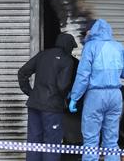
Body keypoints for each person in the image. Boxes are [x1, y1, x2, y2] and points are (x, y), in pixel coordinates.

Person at [68, 19, 124, 161]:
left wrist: (74, 97)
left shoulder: (90, 47)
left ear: (92, 32)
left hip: (95, 95)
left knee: (91, 140)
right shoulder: (119, 47)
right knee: (111, 140)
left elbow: (83, 76)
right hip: (116, 95)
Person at [18, 33, 78, 161]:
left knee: (34, 142)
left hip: (34, 105)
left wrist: (30, 92)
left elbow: (22, 72)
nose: (71, 51)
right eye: (72, 48)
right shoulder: (67, 60)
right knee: (51, 143)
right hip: (52, 109)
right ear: (68, 46)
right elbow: (62, 86)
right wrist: (67, 97)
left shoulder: (42, 55)